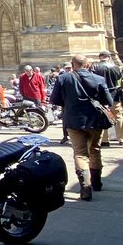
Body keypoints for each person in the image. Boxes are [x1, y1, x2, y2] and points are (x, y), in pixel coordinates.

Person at [50, 54, 114, 200]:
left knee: (80, 153)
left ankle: (85, 187)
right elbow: (108, 101)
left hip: (73, 121)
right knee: (95, 150)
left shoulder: (63, 78)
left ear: (73, 65)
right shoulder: (99, 79)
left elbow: (54, 99)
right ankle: (97, 183)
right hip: (95, 120)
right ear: (87, 65)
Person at [91, 51, 123, 145]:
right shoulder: (115, 67)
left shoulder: (95, 67)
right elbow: (119, 79)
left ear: (100, 57)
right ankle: (121, 139)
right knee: (118, 116)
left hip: (101, 95)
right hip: (114, 93)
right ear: (109, 57)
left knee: (103, 116)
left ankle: (105, 140)